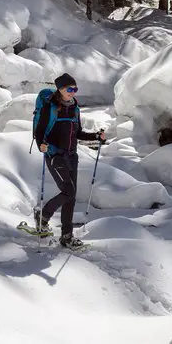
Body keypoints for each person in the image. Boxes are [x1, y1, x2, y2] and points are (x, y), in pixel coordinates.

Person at [34, 73, 105, 250]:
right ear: (60, 89)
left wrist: (96, 136)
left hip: (72, 155)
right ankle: (43, 215)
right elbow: (40, 131)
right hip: (54, 155)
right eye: (69, 89)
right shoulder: (50, 107)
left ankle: (67, 236)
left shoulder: (74, 107)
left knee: (70, 197)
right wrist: (41, 145)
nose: (73, 92)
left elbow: (78, 132)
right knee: (68, 191)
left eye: (75, 89)